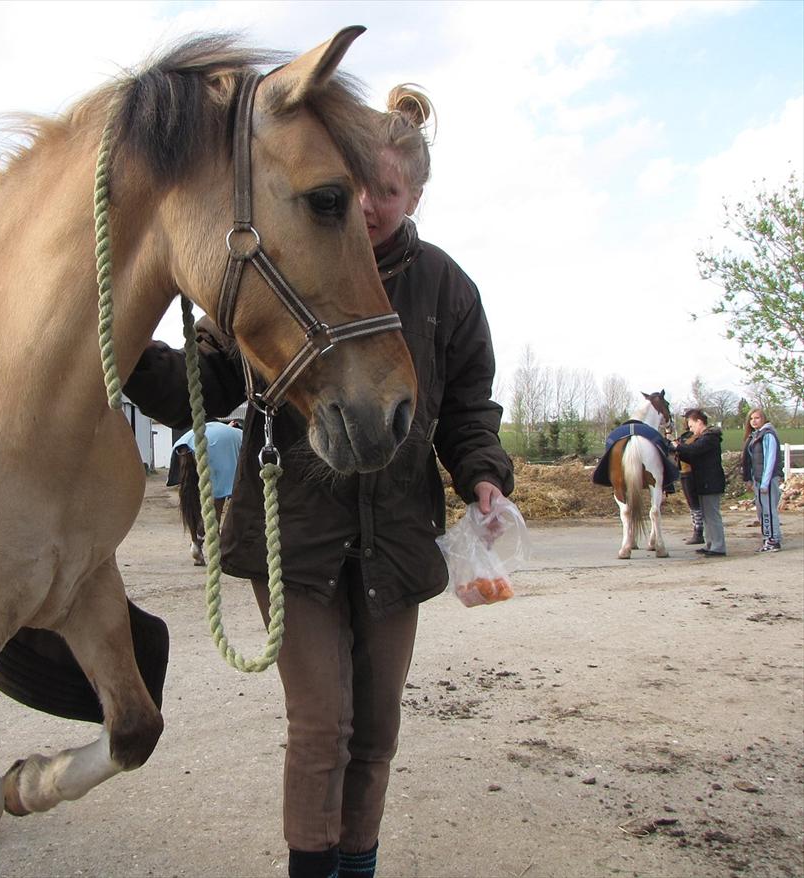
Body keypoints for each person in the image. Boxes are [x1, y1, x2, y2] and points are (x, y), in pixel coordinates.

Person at [124, 84, 514, 878]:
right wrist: (127, 334)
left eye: (390, 193)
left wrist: (483, 476)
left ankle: (357, 867)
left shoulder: (446, 290)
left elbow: (468, 405)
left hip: (396, 541)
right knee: (322, 727)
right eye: (358, 185)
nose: (369, 205)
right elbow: (203, 380)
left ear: (417, 196)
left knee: (375, 733)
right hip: (295, 534)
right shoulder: (289, 264)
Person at [169, 419, 244, 565]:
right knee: (217, 497)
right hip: (213, 445)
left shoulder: (218, 429)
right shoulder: (240, 436)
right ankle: (215, 547)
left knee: (191, 497)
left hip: (186, 441)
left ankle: (195, 544)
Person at [672, 409, 726, 556]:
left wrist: (678, 447)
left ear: (699, 422)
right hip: (704, 482)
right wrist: (680, 453)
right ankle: (710, 544)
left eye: (691, 426)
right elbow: (693, 455)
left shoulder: (710, 437)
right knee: (707, 516)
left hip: (710, 482)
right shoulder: (706, 437)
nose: (691, 429)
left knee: (712, 515)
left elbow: (695, 450)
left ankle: (718, 547)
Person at [743, 408, 784, 552]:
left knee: (768, 511)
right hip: (759, 479)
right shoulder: (756, 436)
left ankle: (773, 540)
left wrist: (765, 482)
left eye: (757, 418)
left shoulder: (768, 435)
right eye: (751, 418)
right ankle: (768, 538)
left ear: (764, 419)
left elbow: (770, 459)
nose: (754, 421)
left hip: (766, 480)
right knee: (762, 511)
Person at [675, 415, 704, 544]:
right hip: (684, 471)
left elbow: (690, 452)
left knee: (695, 504)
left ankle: (699, 531)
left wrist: (677, 447)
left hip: (691, 472)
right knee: (692, 505)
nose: (687, 425)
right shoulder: (687, 436)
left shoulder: (697, 437)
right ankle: (697, 529)